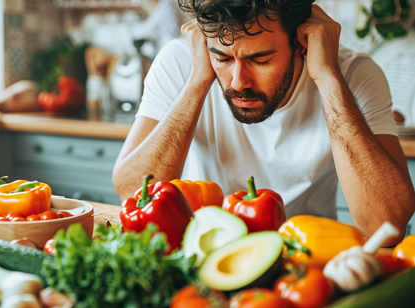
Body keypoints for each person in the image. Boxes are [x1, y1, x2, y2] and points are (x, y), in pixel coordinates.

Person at [112, 0, 415, 246]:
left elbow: (387, 223)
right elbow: (130, 191)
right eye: (223, 58)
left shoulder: (354, 74)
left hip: (304, 258)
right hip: (199, 250)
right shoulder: (180, 62)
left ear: (302, 43)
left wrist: (329, 78)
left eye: (261, 60)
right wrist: (197, 80)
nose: (239, 82)